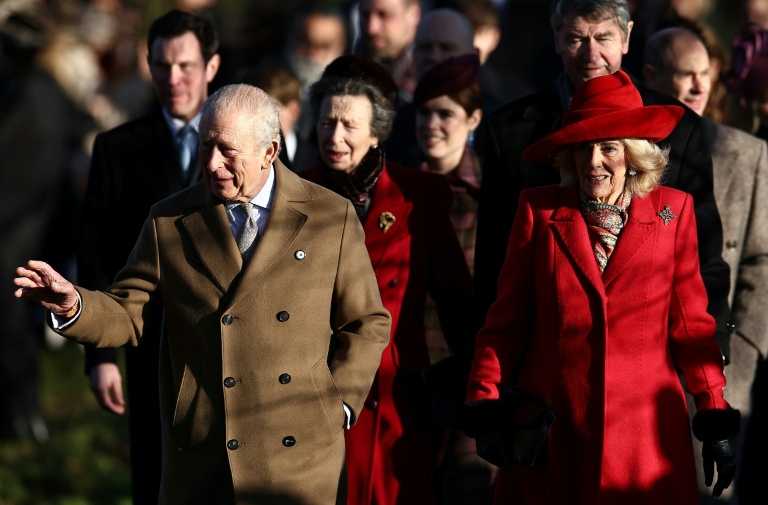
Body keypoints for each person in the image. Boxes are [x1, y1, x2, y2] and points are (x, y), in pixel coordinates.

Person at [15, 83, 391, 504]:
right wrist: (76, 306)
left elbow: (366, 322)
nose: (212, 164)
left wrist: (336, 405)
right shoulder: (170, 220)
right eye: (205, 145)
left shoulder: (328, 215)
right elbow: (127, 312)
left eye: (228, 150)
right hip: (205, 453)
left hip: (300, 458)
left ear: (269, 151)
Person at [463, 70, 740, 505]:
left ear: (633, 155)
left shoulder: (674, 213)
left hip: (644, 439)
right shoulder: (538, 211)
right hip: (554, 431)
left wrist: (714, 413)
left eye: (608, 148)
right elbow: (506, 322)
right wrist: (484, 395)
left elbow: (692, 328)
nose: (593, 162)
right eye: (583, 149)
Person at [474, 0, 733, 364]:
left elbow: (704, 254)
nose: (591, 54)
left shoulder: (680, 128)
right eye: (577, 38)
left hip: (652, 363)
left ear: (626, 38)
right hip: (543, 364)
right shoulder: (509, 131)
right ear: (556, 39)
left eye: (604, 37)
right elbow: (494, 258)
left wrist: (711, 350)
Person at [303, 54, 475, 505]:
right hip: (312, 407)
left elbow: (460, 310)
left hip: (397, 408)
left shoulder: (422, 197)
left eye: (348, 125)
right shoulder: (293, 199)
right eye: (326, 122)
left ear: (377, 131)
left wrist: (482, 391)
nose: (334, 138)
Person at [77, 9, 220, 503]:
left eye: (185, 66)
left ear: (213, 67)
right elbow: (96, 252)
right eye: (161, 65)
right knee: (154, 479)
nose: (173, 78)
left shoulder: (253, 144)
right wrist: (100, 356)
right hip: (148, 347)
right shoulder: (116, 149)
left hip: (229, 345)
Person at [643, 27, 768, 504]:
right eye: (685, 75)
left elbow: (762, 257)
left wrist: (747, 344)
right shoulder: (630, 153)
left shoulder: (748, 153)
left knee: (713, 492)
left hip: (724, 360)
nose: (698, 86)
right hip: (647, 361)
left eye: (705, 75)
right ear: (652, 76)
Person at [408, 53, 496, 503]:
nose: (432, 124)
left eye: (447, 113)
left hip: (473, 381)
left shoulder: (495, 195)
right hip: (409, 382)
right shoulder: (396, 191)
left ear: (474, 118)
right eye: (425, 112)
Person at [356, 0, 421, 102]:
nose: (371, 28)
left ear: (413, 15)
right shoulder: (350, 66)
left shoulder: (429, 76)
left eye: (383, 15)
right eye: (365, 15)